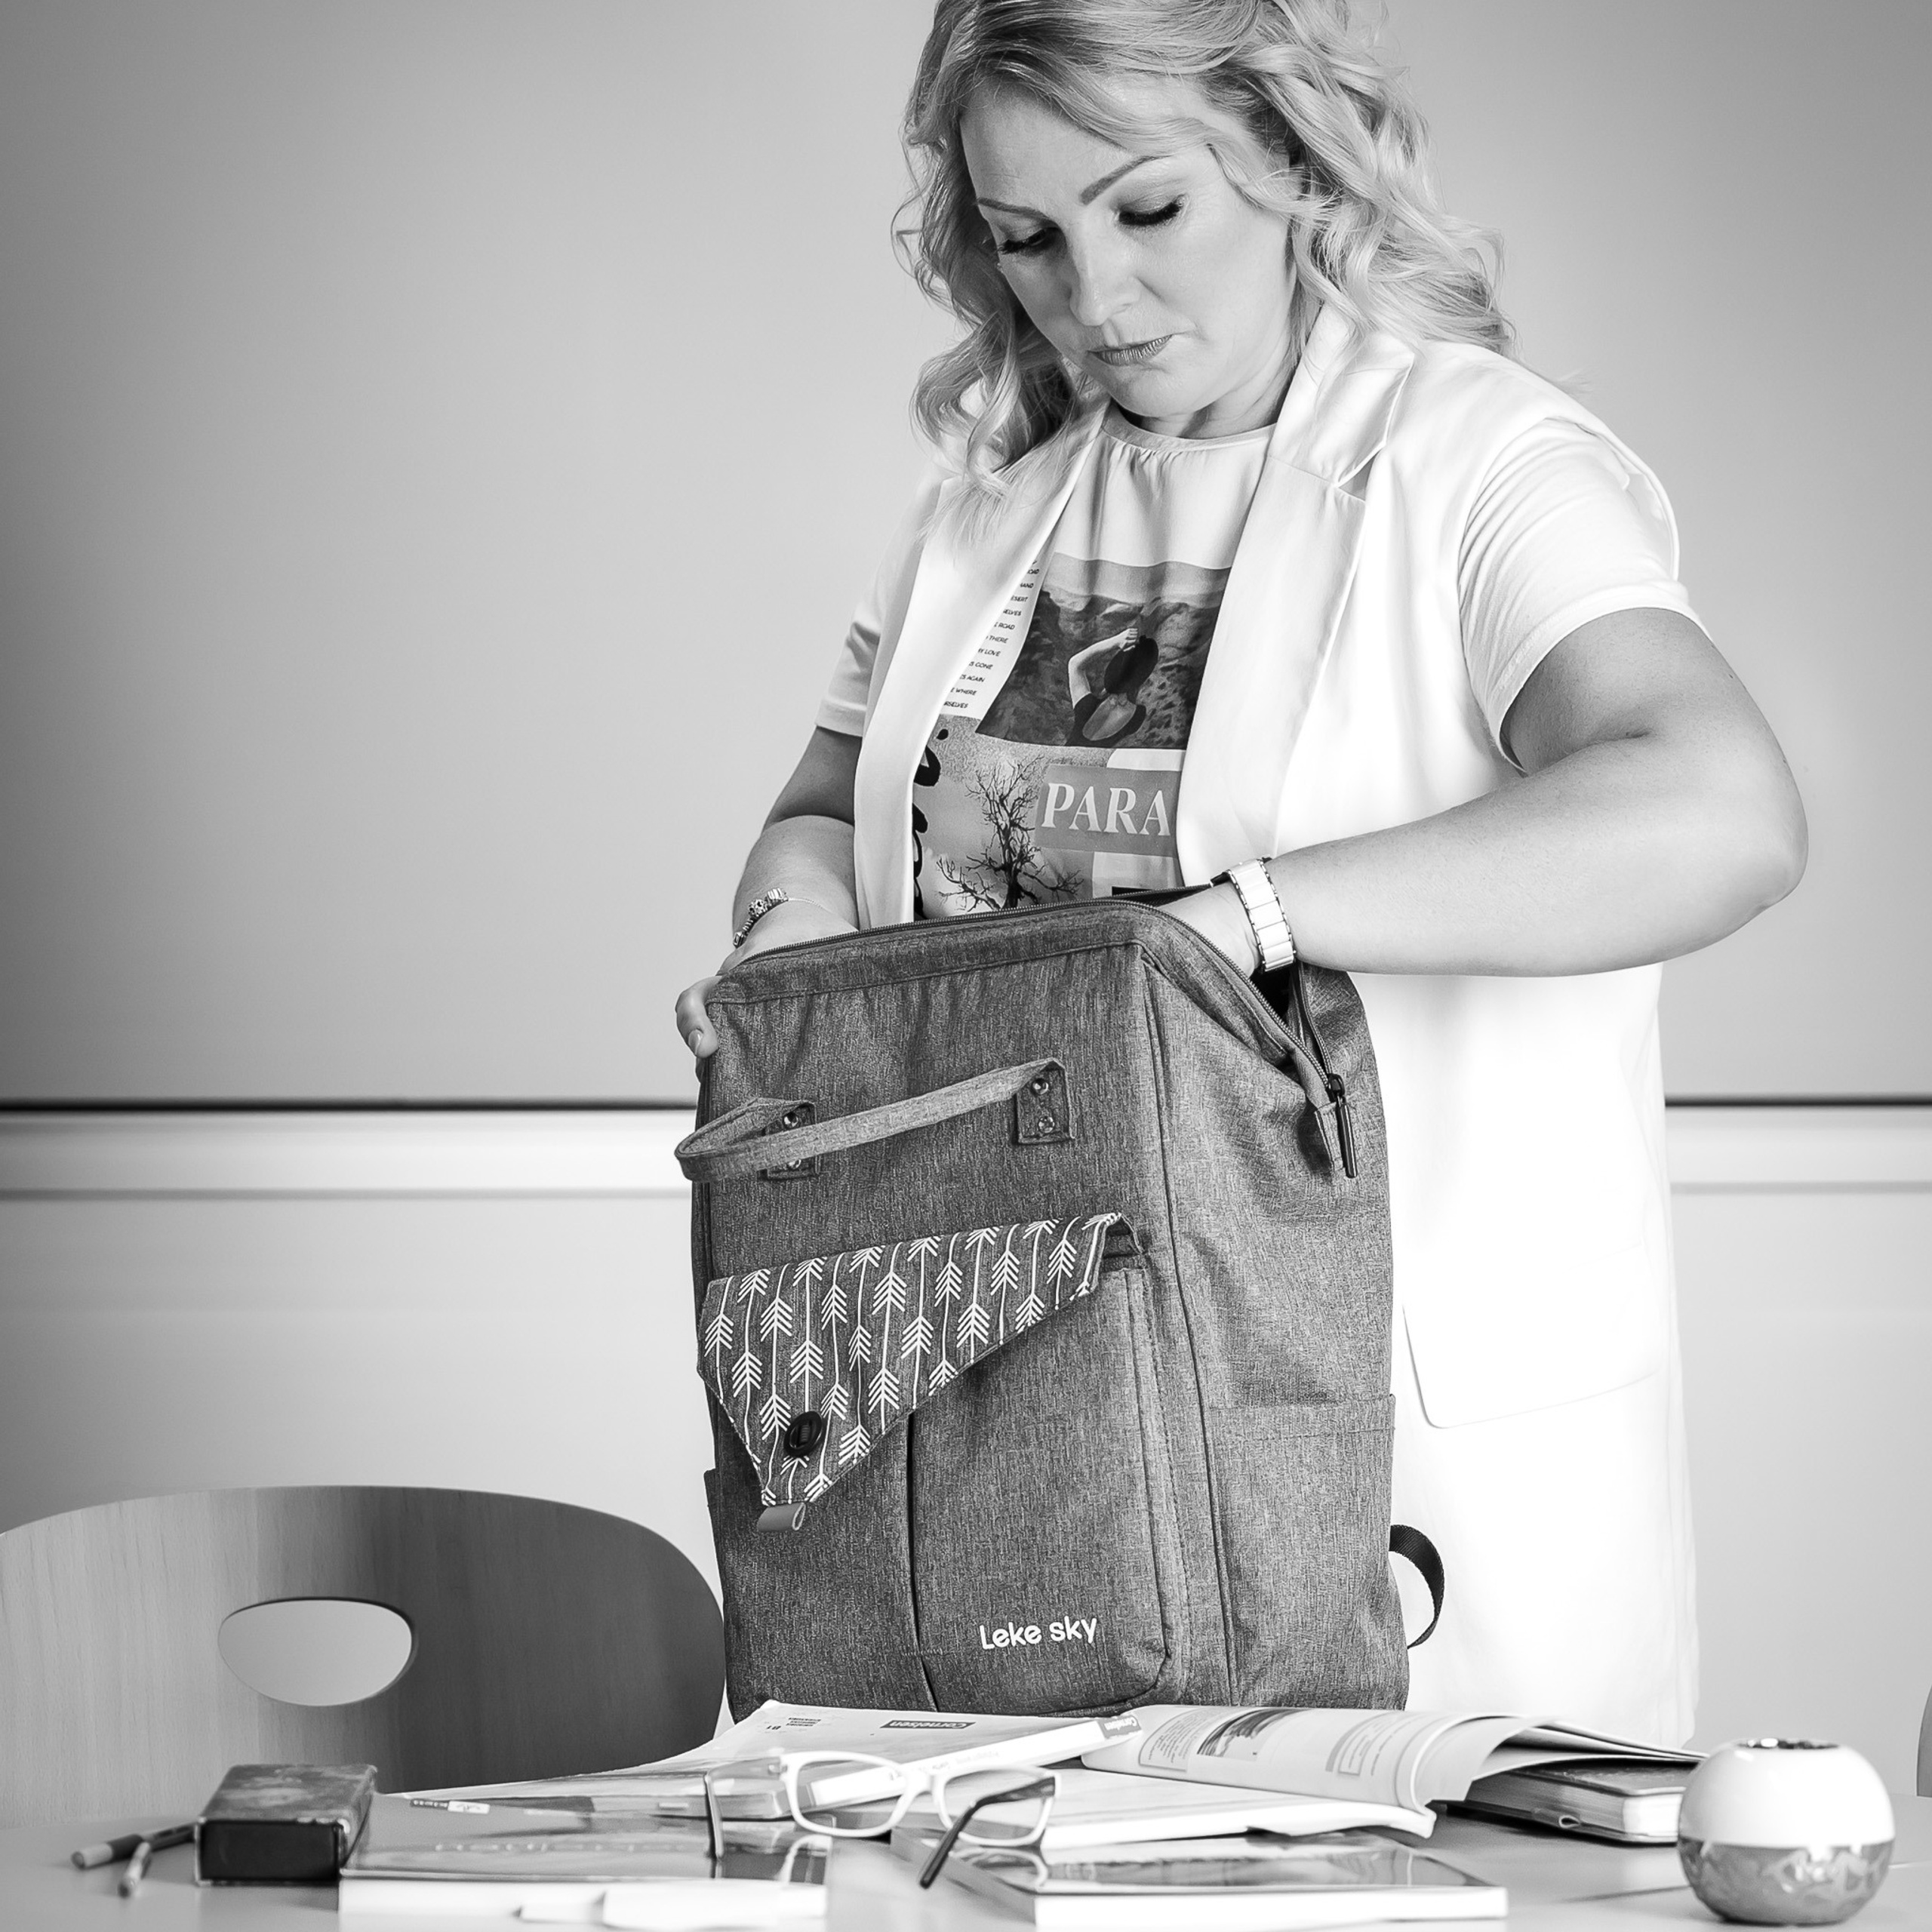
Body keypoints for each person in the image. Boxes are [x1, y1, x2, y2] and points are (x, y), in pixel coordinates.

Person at [675, 0, 1805, 1744]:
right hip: (1005, 1402)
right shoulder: (985, 514)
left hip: (1388, 1445)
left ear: (1284, 160)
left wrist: (1235, 928)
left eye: (1146, 211)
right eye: (1025, 238)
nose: (1092, 301)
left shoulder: (1478, 465)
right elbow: (829, 809)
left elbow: (1713, 807)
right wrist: (787, 956)